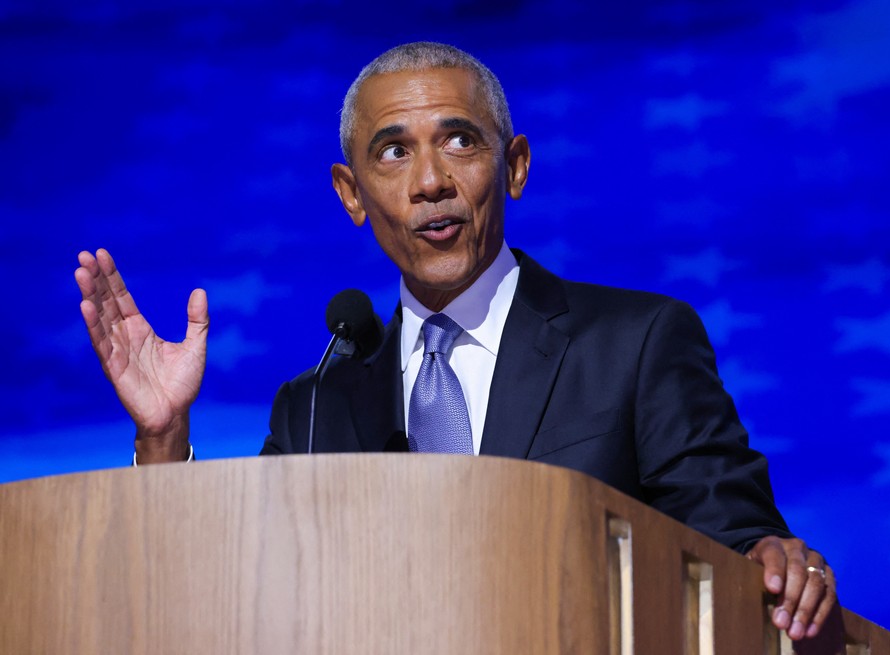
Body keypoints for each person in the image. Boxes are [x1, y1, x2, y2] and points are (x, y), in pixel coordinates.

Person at [75, 42, 837, 641]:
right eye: (394, 151)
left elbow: (732, 536)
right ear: (352, 195)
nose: (431, 180)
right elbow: (239, 599)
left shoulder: (635, 342)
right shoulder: (315, 407)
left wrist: (769, 560)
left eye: (460, 141)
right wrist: (164, 440)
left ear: (514, 167)